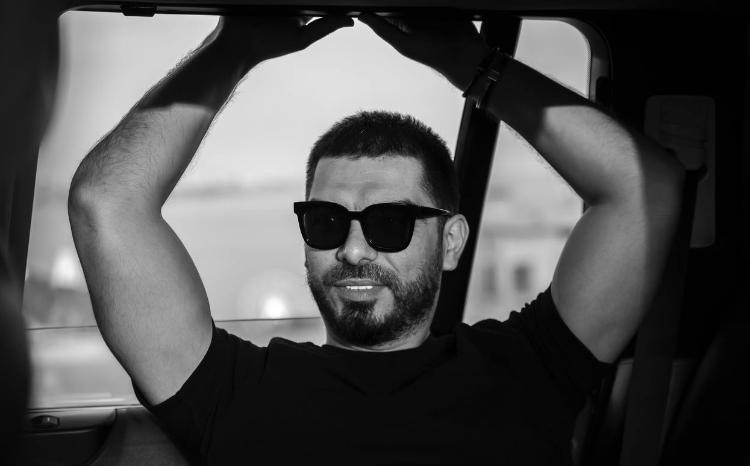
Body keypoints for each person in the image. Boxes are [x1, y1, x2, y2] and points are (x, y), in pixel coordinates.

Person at [68, 14, 685, 465]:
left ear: (451, 241)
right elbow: (106, 202)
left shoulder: (525, 373)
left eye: (390, 223)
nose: (355, 250)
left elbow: (646, 190)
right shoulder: (235, 391)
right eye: (327, 221)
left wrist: (469, 64)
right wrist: (236, 47)